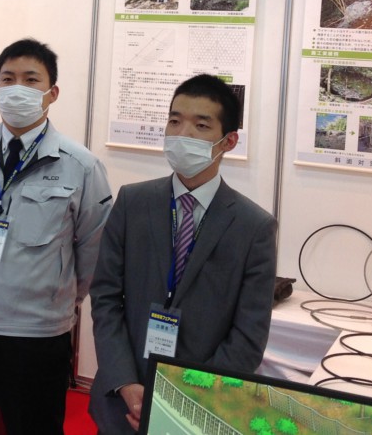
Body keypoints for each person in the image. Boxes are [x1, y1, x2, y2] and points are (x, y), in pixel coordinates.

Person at [0, 38, 113, 435]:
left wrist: (57, 297)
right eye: (8, 78)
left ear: (53, 93)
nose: (18, 88)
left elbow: (93, 250)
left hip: (35, 337)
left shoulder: (81, 166)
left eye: (31, 80)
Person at [89, 74, 277, 434]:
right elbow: (105, 297)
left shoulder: (254, 227)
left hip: (197, 409)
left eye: (201, 125)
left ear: (229, 141)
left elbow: (249, 334)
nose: (182, 134)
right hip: (122, 398)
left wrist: (186, 398)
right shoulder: (132, 202)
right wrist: (125, 382)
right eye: (175, 121)